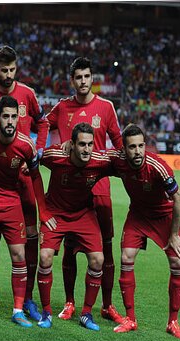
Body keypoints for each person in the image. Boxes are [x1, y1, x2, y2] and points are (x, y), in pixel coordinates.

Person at [0, 45, 49, 321]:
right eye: (3, 70)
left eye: (12, 69)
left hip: (23, 182)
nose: (8, 75)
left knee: (28, 241)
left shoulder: (27, 94)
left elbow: (44, 123)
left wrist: (38, 150)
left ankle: (26, 300)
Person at [46, 56, 123, 323]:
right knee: (69, 247)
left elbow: (119, 145)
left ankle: (107, 304)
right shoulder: (62, 107)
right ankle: (69, 302)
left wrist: (100, 158)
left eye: (86, 77)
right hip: (68, 189)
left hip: (99, 187)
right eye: (78, 77)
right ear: (72, 80)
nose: (82, 81)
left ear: (92, 79)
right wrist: (60, 142)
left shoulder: (106, 107)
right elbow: (42, 125)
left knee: (106, 249)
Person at [107, 124, 180, 339]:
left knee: (178, 264)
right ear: (124, 148)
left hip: (164, 217)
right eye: (132, 147)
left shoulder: (157, 166)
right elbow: (95, 156)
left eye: (141, 145)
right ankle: (130, 319)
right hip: (139, 215)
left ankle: (173, 322)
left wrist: (172, 235)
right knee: (126, 257)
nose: (138, 151)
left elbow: (178, 199)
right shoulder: (118, 160)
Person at [37, 123, 113, 330]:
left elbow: (124, 164)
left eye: (90, 144)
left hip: (83, 214)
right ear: (71, 144)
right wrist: (42, 210)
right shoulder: (54, 156)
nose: (86, 149)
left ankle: (86, 313)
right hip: (55, 213)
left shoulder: (99, 161)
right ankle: (46, 312)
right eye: (81, 144)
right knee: (44, 258)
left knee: (98, 259)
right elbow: (32, 165)